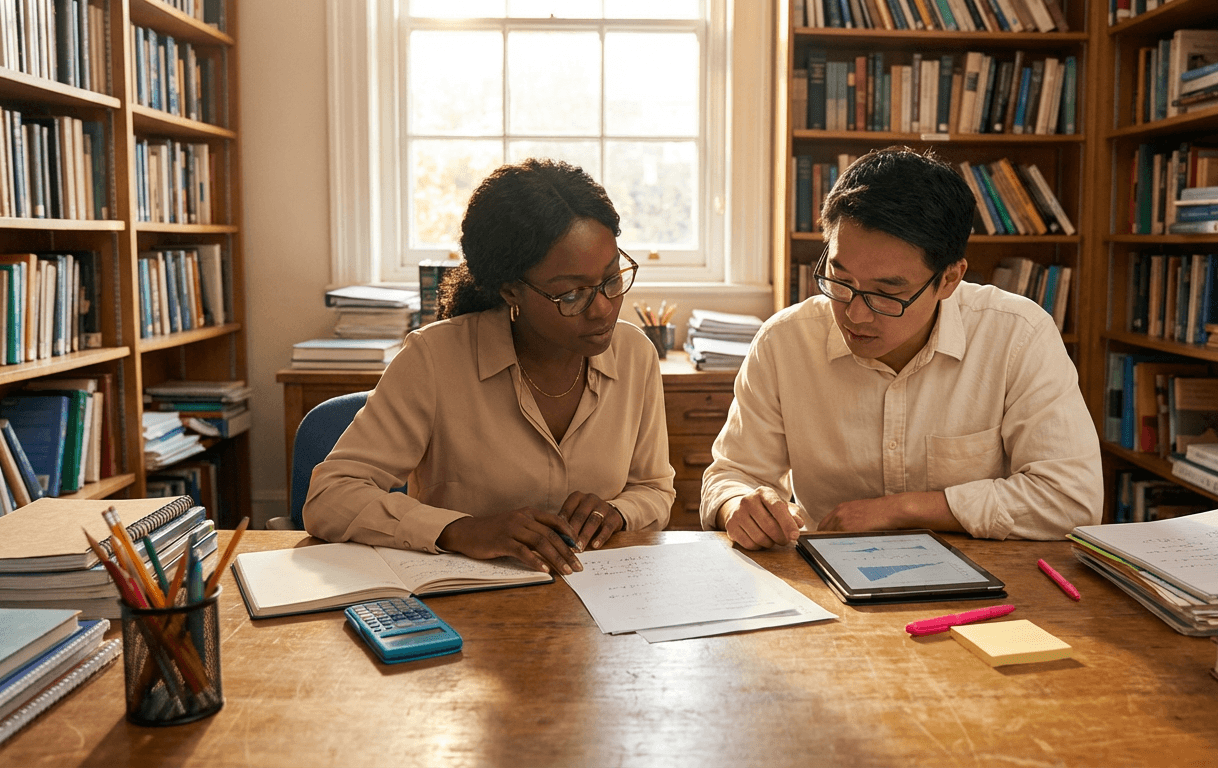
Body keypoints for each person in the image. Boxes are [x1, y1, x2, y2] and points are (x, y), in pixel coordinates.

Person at [700, 146, 1101, 549]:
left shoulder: (1018, 335)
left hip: (987, 583)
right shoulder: (784, 341)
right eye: (840, 280)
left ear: (949, 279)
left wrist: (902, 510)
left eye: (886, 292)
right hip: (827, 579)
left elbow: (1071, 500)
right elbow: (730, 475)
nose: (854, 315)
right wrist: (738, 505)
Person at [305, 159, 674, 575]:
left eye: (611, 280)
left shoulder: (635, 354)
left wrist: (618, 512)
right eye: (572, 295)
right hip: (467, 613)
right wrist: (461, 530)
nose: (603, 308)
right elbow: (330, 496)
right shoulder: (434, 359)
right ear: (510, 290)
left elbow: (655, 488)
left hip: (599, 606)